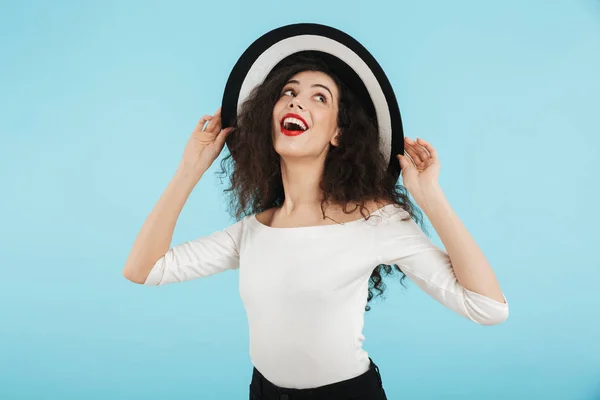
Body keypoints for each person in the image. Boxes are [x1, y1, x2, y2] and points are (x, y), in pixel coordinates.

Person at [123, 24, 509, 400]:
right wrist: (189, 170)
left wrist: (430, 197)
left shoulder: (376, 220)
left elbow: (488, 307)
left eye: (319, 97)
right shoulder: (253, 231)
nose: (296, 101)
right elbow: (143, 269)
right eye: (288, 92)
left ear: (338, 133)